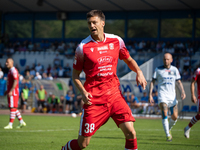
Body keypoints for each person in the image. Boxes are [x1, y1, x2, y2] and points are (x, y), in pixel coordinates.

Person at [61, 10, 147, 150]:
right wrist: (83, 92)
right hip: (94, 100)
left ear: (102, 23)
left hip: (115, 96)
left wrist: (139, 72)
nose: (92, 26)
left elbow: (129, 59)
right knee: (83, 144)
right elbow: (75, 76)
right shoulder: (83, 48)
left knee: (131, 132)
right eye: (89, 23)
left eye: (94, 22)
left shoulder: (116, 41)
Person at [149, 53, 186, 141]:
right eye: (165, 59)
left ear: (171, 60)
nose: (166, 61)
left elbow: (179, 82)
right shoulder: (158, 69)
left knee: (175, 117)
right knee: (164, 112)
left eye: (168, 59)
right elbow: (152, 82)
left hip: (172, 97)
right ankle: (168, 135)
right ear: (163, 60)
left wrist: (183, 92)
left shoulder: (175, 70)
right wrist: (150, 94)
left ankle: (168, 129)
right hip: (162, 95)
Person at [4, 58, 26, 129]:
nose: (6, 63)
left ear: (11, 62)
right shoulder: (10, 70)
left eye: (7, 62)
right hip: (11, 91)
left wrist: (11, 91)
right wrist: (7, 90)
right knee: (13, 108)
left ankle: (10, 124)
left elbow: (15, 81)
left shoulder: (13, 70)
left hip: (13, 92)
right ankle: (21, 122)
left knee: (13, 107)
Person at [184, 67, 200, 138]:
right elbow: (193, 83)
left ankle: (187, 127)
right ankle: (188, 127)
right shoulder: (198, 71)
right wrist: (193, 95)